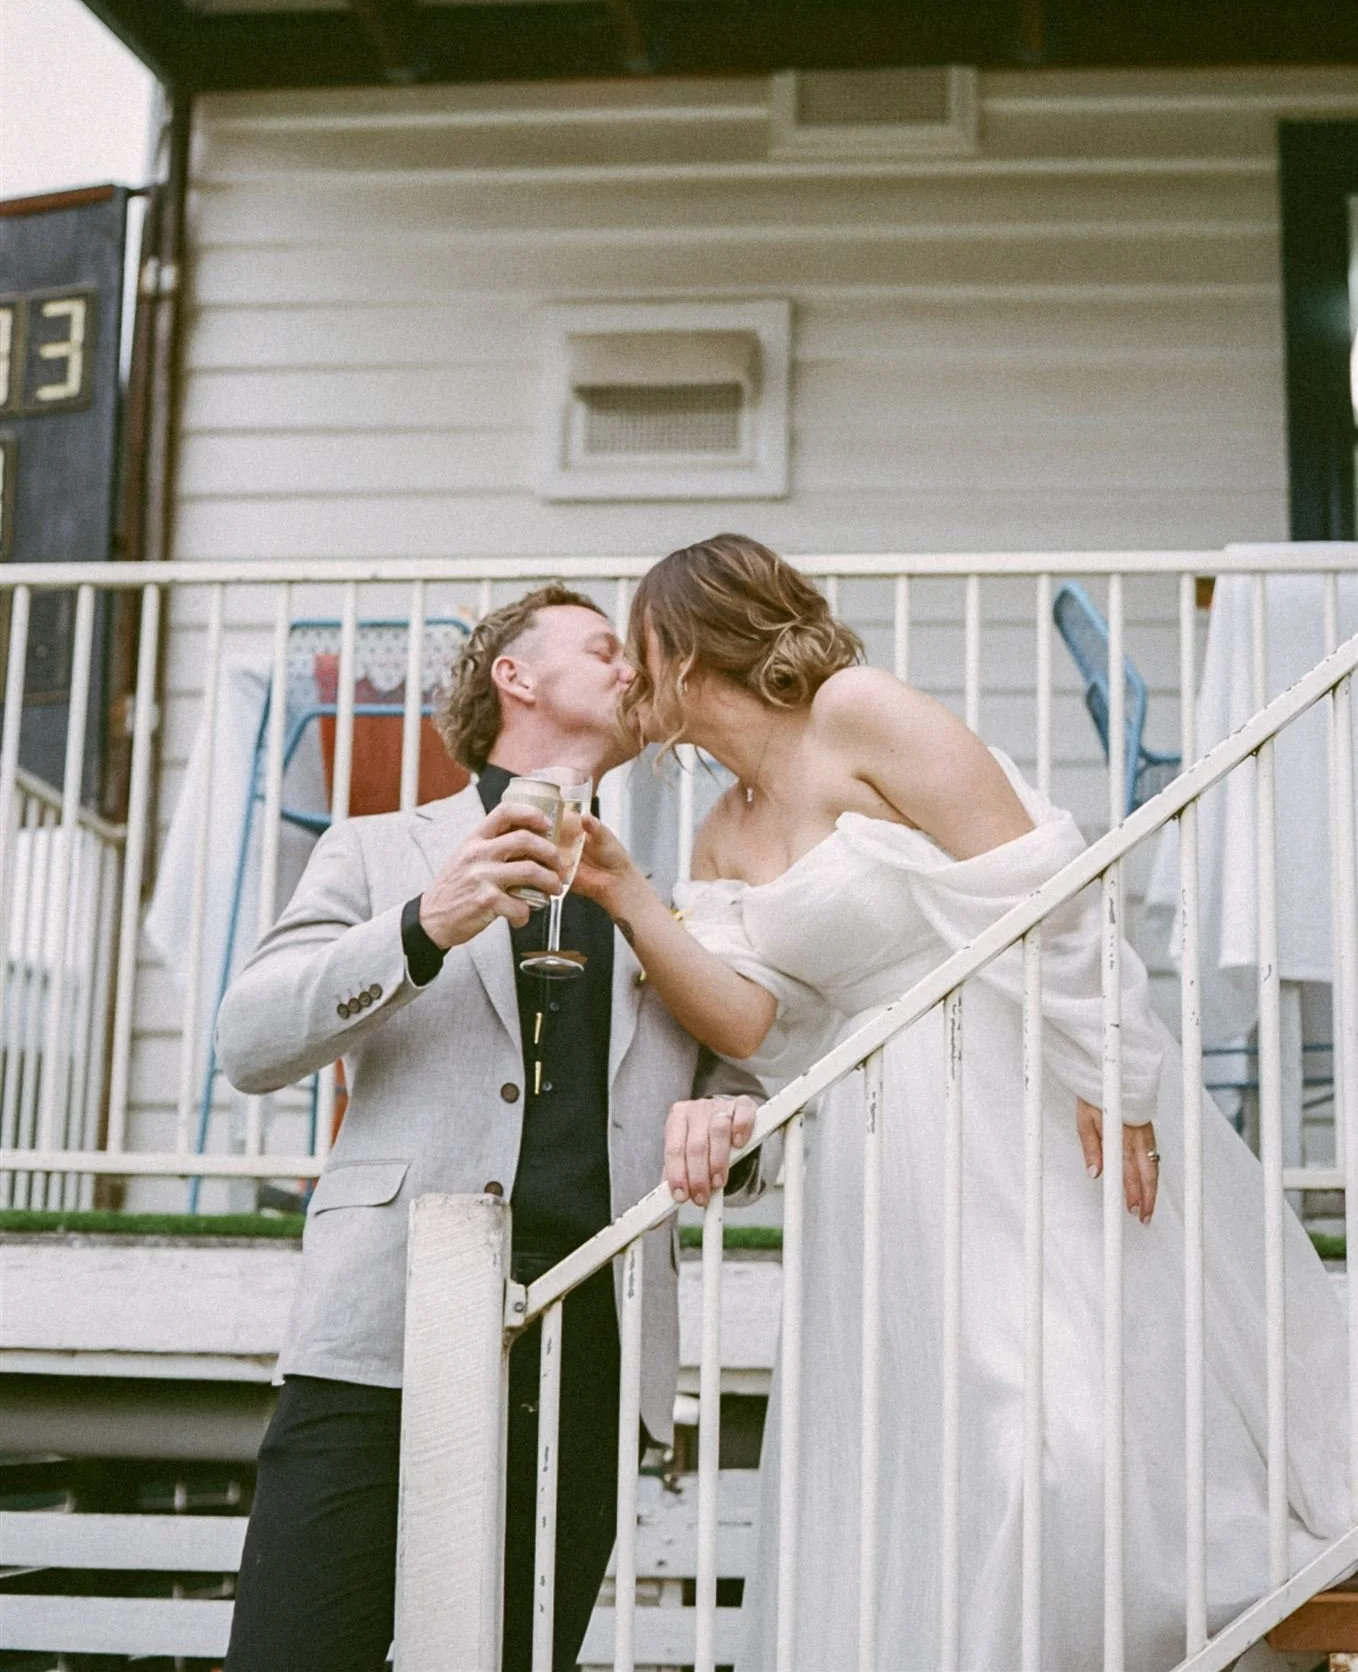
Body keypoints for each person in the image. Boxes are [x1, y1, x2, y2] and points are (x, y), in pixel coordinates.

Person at [572, 534, 1350, 1672]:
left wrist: (1112, 1068)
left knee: (1056, 1432)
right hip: (881, 1157)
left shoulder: (857, 710)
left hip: (1013, 1085)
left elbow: (1043, 879)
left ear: (687, 643)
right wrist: (627, 893)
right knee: (948, 1443)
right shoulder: (721, 828)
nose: (629, 683)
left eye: (634, 645)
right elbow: (746, 1021)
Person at [215, 584, 768, 1672]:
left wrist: (733, 1121)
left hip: (590, 1351)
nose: (632, 668)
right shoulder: (376, 850)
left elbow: (752, 1109)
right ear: (515, 676)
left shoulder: (668, 899)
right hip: (378, 1340)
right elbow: (249, 1040)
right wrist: (424, 922)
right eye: (605, 647)